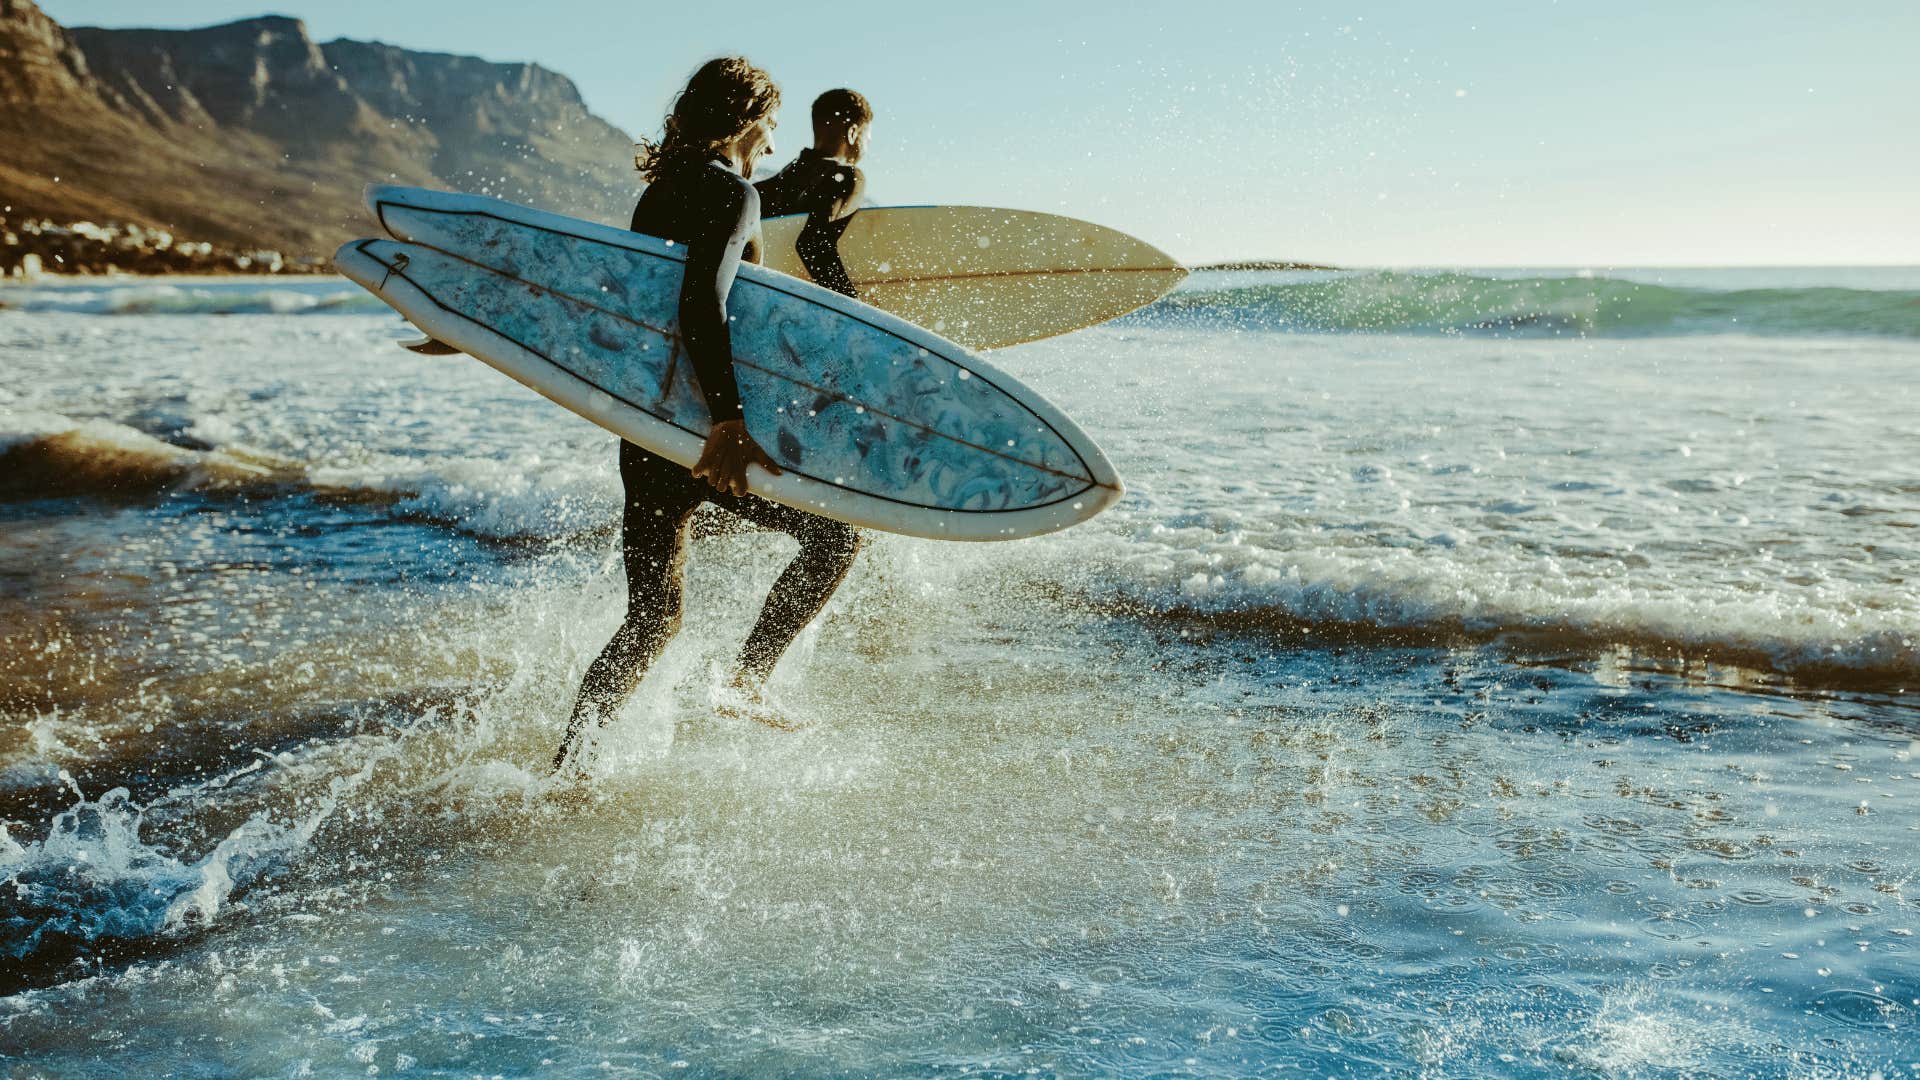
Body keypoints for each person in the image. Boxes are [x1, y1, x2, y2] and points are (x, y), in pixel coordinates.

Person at [552, 58, 861, 773]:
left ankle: (569, 772)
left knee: (652, 620)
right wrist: (727, 422)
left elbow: (644, 307)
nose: (773, 147)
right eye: (772, 128)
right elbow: (702, 302)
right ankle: (749, 680)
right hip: (704, 431)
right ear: (749, 120)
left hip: (649, 428)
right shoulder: (731, 194)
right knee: (835, 541)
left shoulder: (662, 193)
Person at [753, 88, 873, 298]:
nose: (867, 147)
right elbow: (813, 244)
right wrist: (852, 304)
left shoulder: (766, 187)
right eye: (868, 139)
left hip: (761, 294)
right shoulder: (848, 177)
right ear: (853, 133)